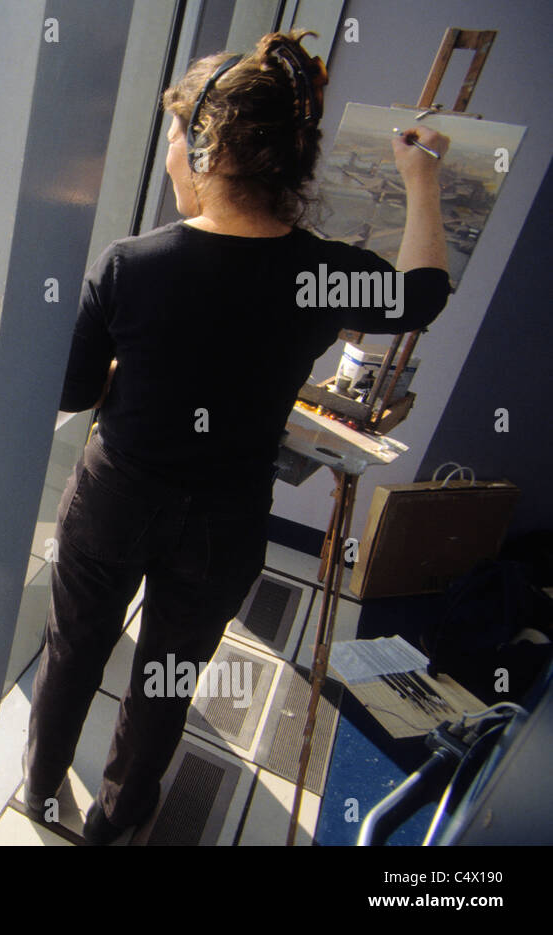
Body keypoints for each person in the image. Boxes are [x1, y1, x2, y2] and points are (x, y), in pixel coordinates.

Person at [23, 29, 452, 845]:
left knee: (73, 650)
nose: (170, 161)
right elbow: (423, 295)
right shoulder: (324, 270)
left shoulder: (129, 264)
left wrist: (137, 372)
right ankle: (120, 822)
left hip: (116, 496)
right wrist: (420, 178)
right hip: (223, 520)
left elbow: (75, 391)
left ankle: (44, 792)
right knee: (166, 678)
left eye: (177, 141)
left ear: (204, 148)